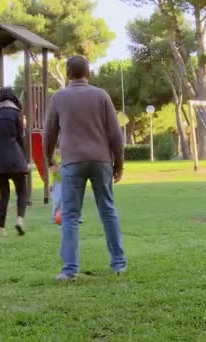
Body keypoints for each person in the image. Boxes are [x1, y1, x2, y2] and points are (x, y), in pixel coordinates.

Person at [43, 55, 126, 281]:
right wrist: (119, 163)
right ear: (88, 73)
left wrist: (50, 160)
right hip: (101, 161)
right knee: (108, 210)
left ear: (68, 73)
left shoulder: (58, 97)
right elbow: (115, 134)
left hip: (71, 162)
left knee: (69, 216)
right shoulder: (101, 96)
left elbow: (49, 134)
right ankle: (119, 264)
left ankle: (70, 270)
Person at [0, 88, 28, 237]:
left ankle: (1, 229)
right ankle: (20, 220)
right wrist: (24, 157)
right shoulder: (16, 113)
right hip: (15, 156)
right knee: (22, 191)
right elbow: (19, 137)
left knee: (4, 194)